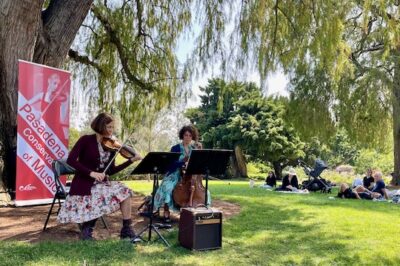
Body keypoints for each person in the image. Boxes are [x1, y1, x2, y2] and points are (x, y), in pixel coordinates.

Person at [57, 113, 142, 241]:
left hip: (100, 184)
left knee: (125, 191)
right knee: (97, 195)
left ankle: (126, 228)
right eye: (109, 127)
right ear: (100, 126)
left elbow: (111, 171)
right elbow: (71, 161)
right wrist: (91, 173)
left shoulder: (110, 146)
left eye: (113, 128)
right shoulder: (85, 140)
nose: (111, 131)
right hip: (83, 183)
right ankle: (87, 229)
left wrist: (130, 161)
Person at [153, 125, 210, 222]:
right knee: (168, 187)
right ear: (182, 136)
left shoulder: (194, 148)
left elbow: (199, 163)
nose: (188, 138)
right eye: (186, 135)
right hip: (175, 173)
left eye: (190, 136)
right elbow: (171, 164)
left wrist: (200, 151)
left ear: (193, 137)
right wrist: (183, 161)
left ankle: (197, 210)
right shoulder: (175, 148)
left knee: (205, 191)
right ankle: (166, 212)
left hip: (189, 175)